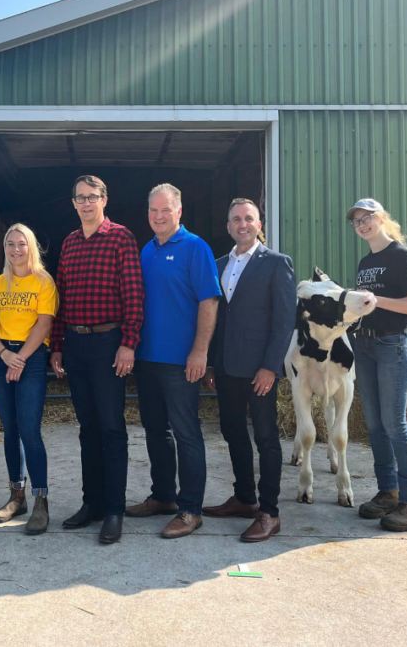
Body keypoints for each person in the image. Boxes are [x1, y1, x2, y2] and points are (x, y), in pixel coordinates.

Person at [50, 175, 145, 545]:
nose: (86, 203)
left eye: (93, 197)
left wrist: (129, 344)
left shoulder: (121, 238)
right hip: (76, 344)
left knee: (111, 427)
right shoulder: (70, 243)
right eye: (80, 198)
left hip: (109, 343)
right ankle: (91, 504)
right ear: (73, 203)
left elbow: (134, 295)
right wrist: (57, 345)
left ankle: (115, 510)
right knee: (87, 429)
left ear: (105, 199)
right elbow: (61, 299)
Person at [126, 184, 221, 539]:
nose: (158, 216)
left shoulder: (196, 248)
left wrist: (200, 352)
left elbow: (209, 301)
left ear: (179, 211)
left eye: (165, 210)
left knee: (186, 433)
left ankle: (190, 508)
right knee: (155, 431)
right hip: (147, 357)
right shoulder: (146, 251)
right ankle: (163, 496)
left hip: (181, 362)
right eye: (153, 211)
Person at [202, 199, 296, 542]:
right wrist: (212, 361)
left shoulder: (276, 263)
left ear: (259, 225)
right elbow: (214, 318)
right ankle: (244, 498)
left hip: (260, 371)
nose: (242, 224)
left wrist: (270, 367)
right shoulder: (219, 263)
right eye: (236, 219)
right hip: (226, 367)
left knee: (266, 438)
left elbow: (285, 321)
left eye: (249, 219)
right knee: (232, 431)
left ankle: (269, 512)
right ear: (228, 226)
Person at [346, 198, 407, 531]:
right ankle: (388, 492)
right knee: (375, 424)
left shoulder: (399, 255)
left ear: (381, 218)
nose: (361, 225)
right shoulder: (366, 261)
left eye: (366, 218)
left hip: (392, 344)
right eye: (356, 221)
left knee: (395, 424)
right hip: (363, 343)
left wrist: (379, 301)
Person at [0, 224, 58, 535]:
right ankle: (17, 496)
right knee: (9, 431)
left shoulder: (43, 281)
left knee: (29, 430)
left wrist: (20, 357)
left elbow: (44, 324)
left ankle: (41, 500)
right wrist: (2, 354)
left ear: (31, 247)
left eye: (21, 244)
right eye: (10, 244)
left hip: (32, 357)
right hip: (2, 358)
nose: (15, 249)